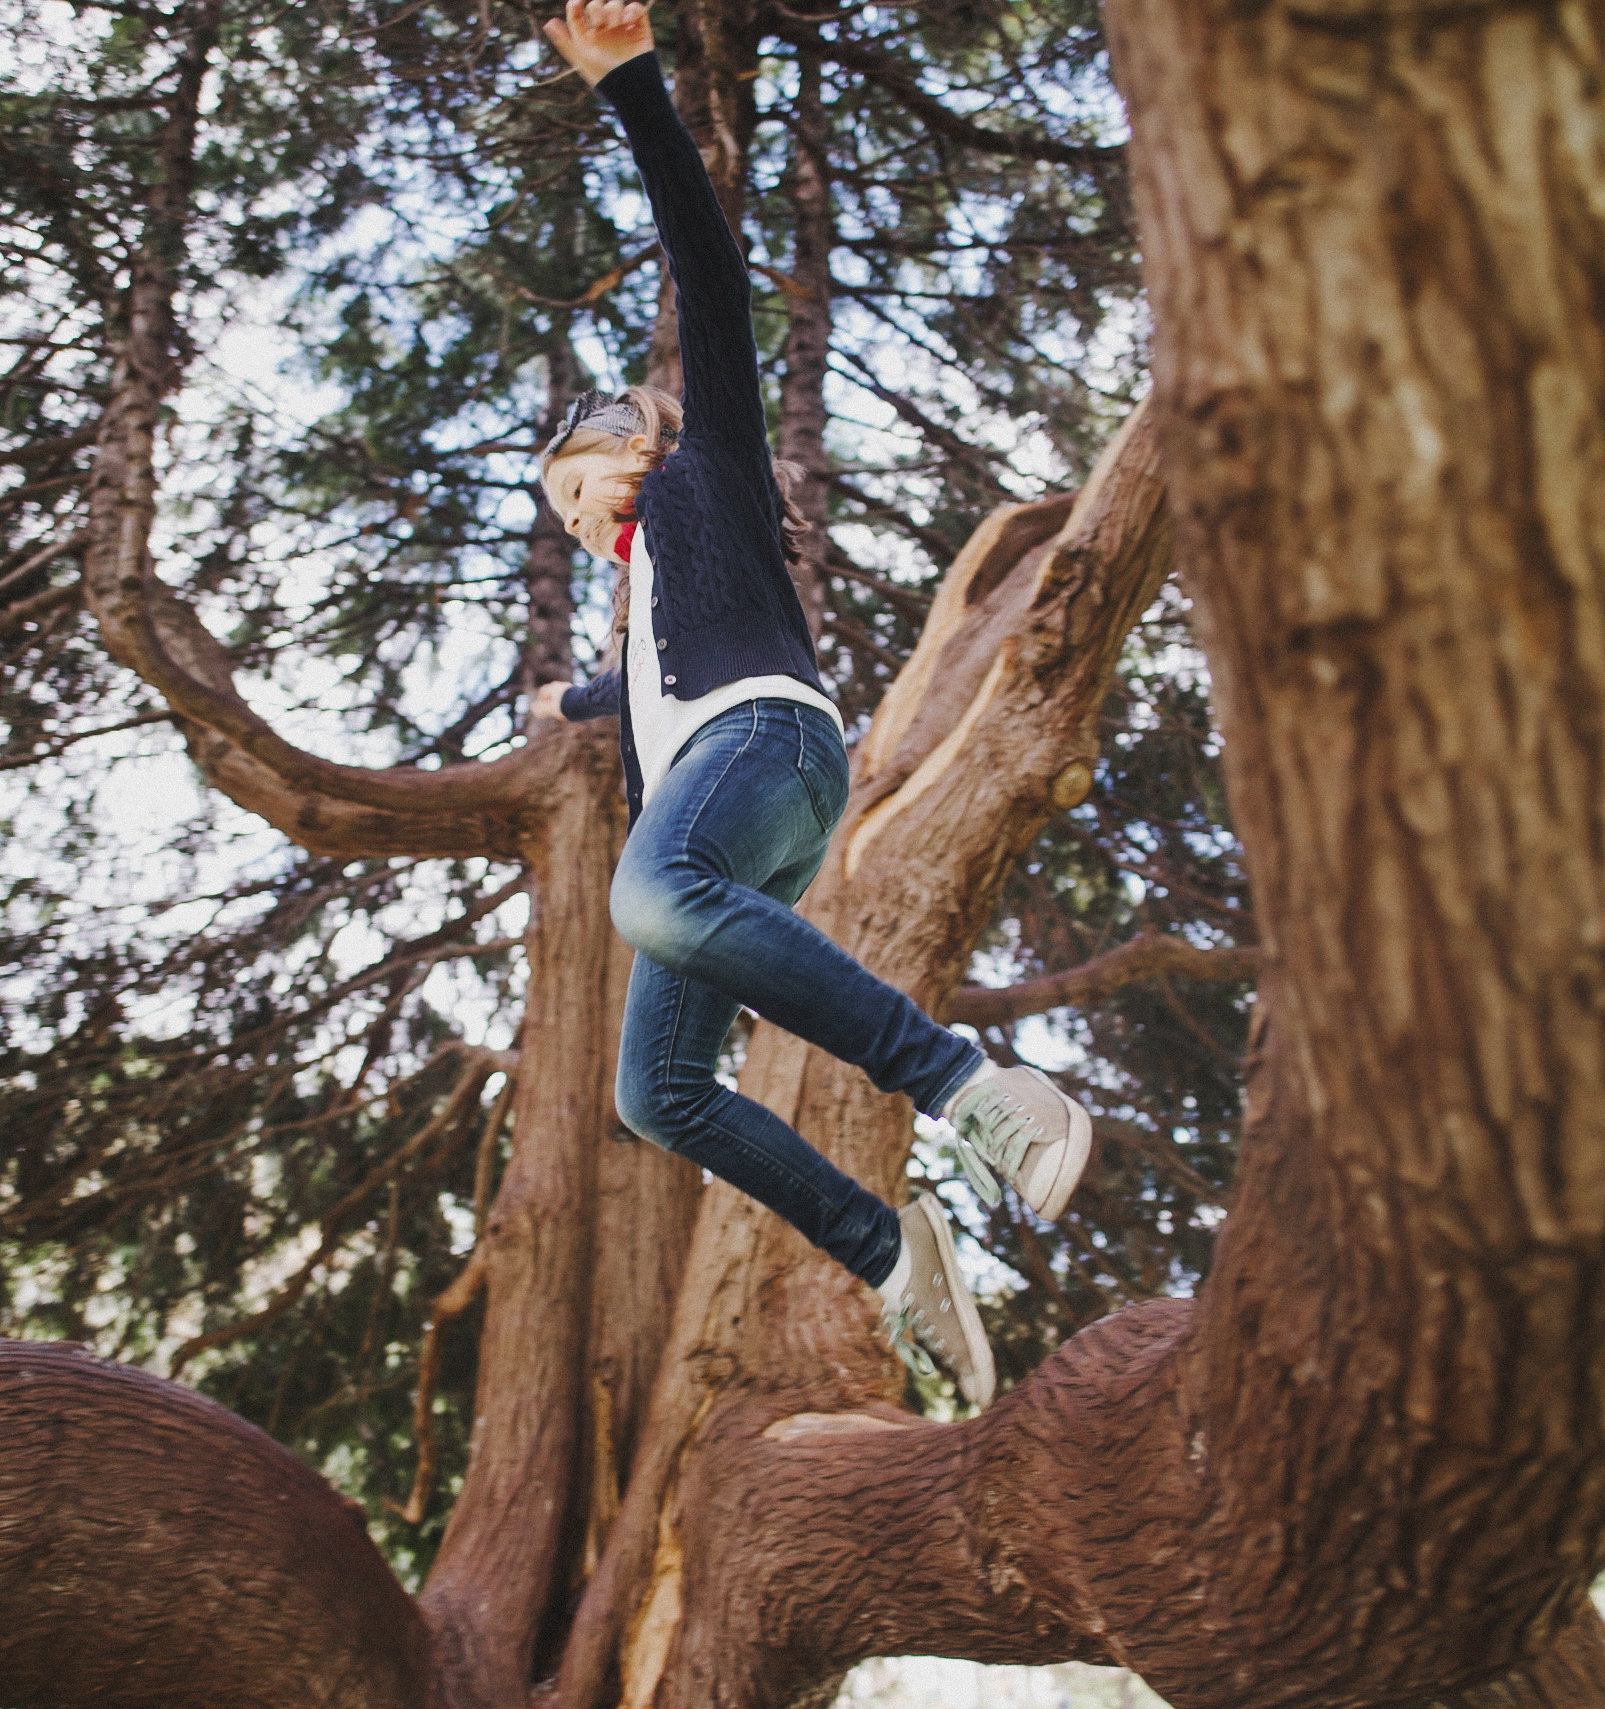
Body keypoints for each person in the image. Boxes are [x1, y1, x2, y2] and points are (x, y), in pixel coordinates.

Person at [527, 0, 1094, 1410]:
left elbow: (710, 278)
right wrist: (573, 693)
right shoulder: (649, 583)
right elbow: (644, 687)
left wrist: (633, 86)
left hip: (769, 744)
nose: (580, 522)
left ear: (630, 440)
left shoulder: (703, 462)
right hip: (727, 796)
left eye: (575, 491)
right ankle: (889, 1250)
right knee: (655, 1091)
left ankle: (970, 1088)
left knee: (648, 891)